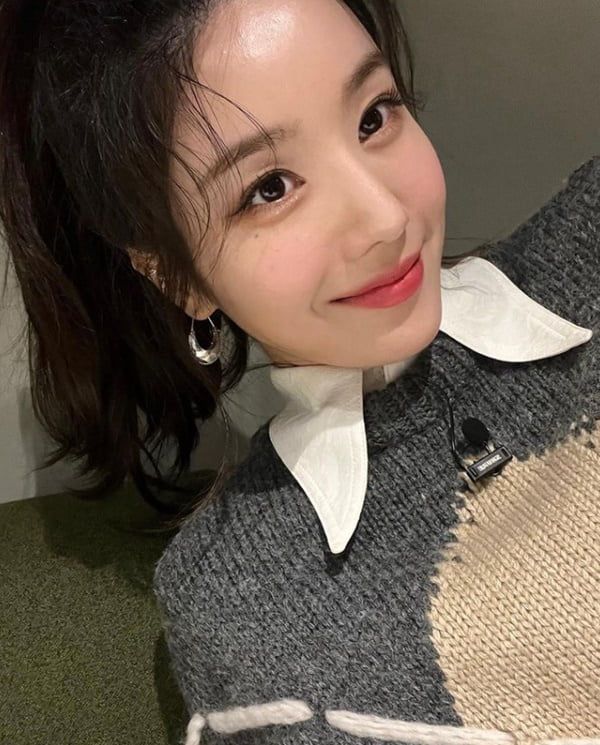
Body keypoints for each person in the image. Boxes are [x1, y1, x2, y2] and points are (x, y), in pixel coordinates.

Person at [0, 1, 598, 744]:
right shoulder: (241, 613)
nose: (384, 218)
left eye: (374, 117)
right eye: (270, 188)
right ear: (176, 276)